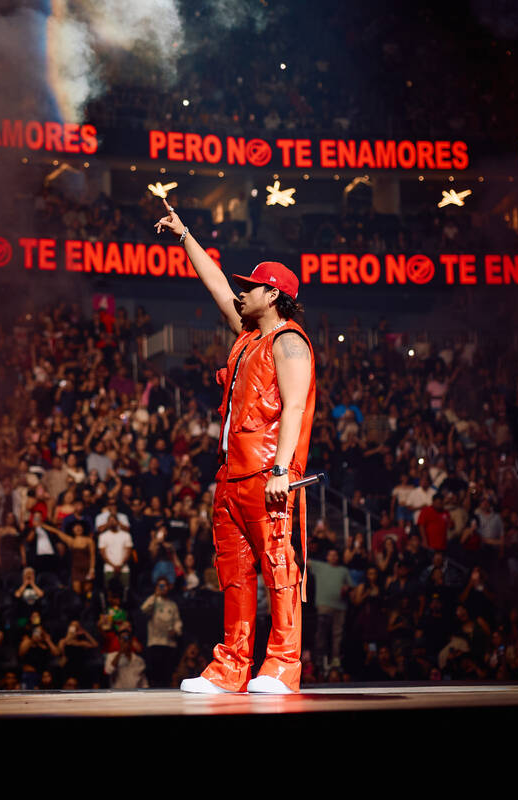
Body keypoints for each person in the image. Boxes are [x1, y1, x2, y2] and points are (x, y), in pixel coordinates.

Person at [158, 200, 316, 694]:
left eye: (250, 287)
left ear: (272, 294)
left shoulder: (289, 342)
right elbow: (215, 286)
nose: (241, 292)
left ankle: (282, 666)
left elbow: (293, 409)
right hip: (231, 475)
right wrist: (185, 235)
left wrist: (281, 471)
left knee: (278, 569)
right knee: (234, 573)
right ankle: (231, 666)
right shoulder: (249, 337)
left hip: (266, 475)